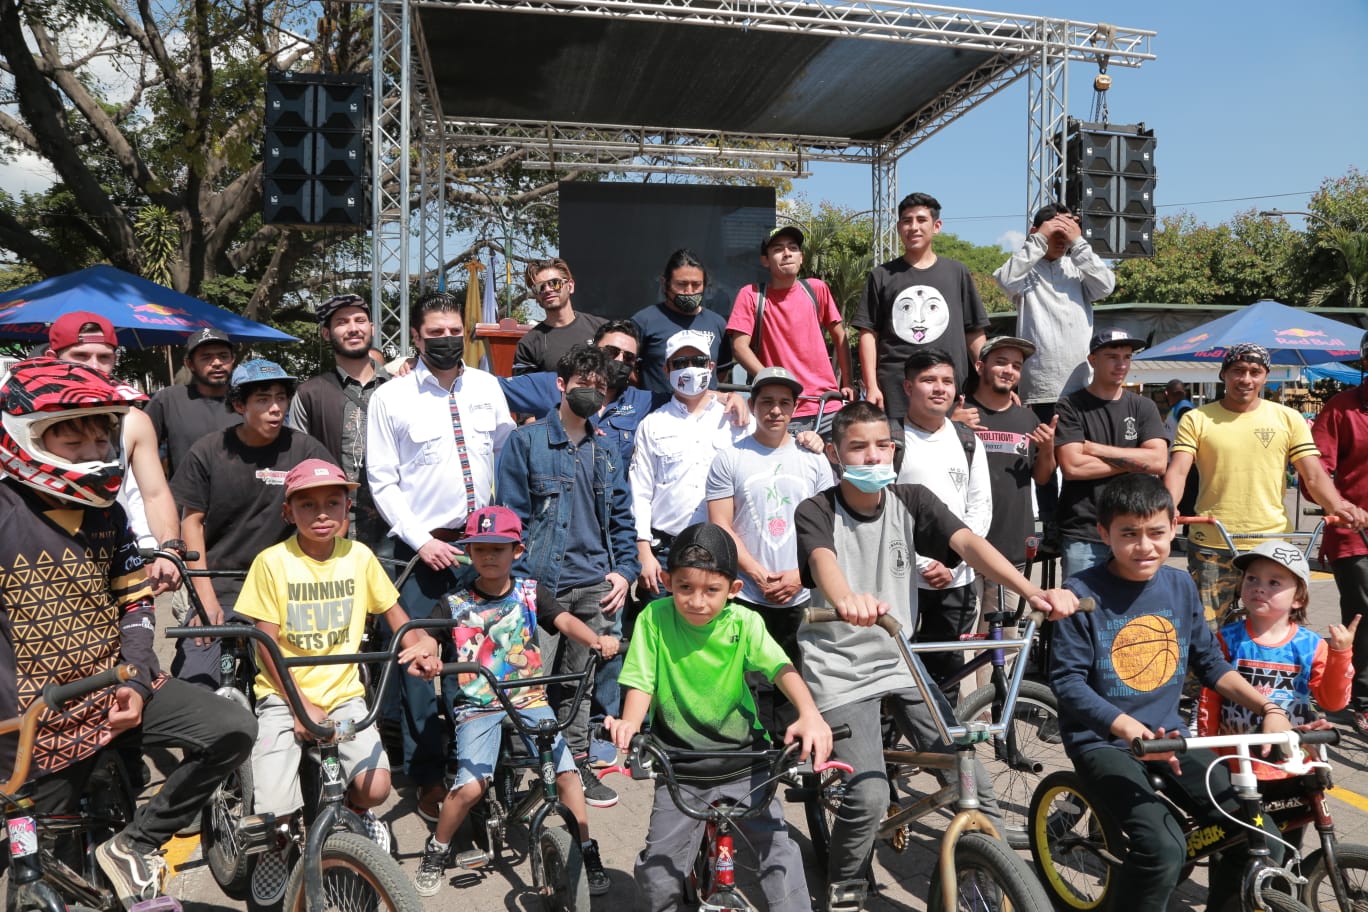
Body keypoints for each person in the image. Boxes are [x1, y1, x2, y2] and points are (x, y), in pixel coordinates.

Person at [794, 400, 1078, 908]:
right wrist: (846, 600)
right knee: (867, 795)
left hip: (900, 659)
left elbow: (968, 543)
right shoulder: (816, 510)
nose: (873, 456)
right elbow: (822, 561)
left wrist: (1032, 592)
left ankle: (988, 880)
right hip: (838, 668)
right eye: (858, 447)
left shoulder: (912, 500)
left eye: (882, 445)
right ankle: (846, 885)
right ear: (835, 454)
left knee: (971, 775)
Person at [0, 357, 256, 909]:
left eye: (102, 438)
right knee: (53, 877)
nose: (93, 452)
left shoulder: (108, 515)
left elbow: (135, 601)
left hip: (117, 688)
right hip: (30, 720)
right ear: (25, 437)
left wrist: (137, 680)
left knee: (232, 727)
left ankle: (135, 843)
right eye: (73, 441)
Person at [1050, 474, 1296, 912]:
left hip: (1172, 736)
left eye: (1156, 532)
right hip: (1104, 741)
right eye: (1129, 533)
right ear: (1104, 533)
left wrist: (1268, 707)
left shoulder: (1180, 585)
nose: (1144, 546)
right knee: (1163, 850)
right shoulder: (1080, 595)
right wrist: (1128, 729)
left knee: (1260, 834)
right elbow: (1067, 682)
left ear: (1175, 528)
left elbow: (1210, 664)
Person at [234, 459, 441, 905]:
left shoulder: (359, 557)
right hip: (283, 697)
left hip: (344, 698)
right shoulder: (272, 562)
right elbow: (265, 646)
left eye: (333, 502)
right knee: (275, 811)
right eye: (308, 505)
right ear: (288, 512)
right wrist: (298, 705)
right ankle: (277, 848)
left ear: (348, 507)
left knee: (376, 786)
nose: (322, 513)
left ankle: (354, 813)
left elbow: (396, 616)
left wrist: (422, 643)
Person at [605, 522, 831, 912]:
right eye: (685, 587)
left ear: (733, 589)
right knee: (658, 874)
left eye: (712, 590)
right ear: (667, 581)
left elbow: (781, 667)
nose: (697, 601)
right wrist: (630, 723)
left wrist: (810, 713)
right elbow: (642, 680)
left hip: (747, 761)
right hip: (680, 767)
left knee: (780, 855)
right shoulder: (654, 618)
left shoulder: (745, 622)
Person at [411, 506, 616, 898]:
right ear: (469, 553)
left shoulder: (530, 592)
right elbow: (428, 636)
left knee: (568, 775)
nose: (489, 556)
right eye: (480, 549)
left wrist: (595, 640)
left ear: (517, 551)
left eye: (498, 548)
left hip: (529, 699)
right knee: (470, 787)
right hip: (478, 705)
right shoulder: (454, 602)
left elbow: (563, 621)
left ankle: (586, 848)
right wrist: (427, 653)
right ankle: (436, 848)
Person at [366, 291, 515, 819]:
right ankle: (428, 776)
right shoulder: (391, 398)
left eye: (455, 331)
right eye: (436, 333)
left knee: (478, 662)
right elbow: (381, 480)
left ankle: (476, 767)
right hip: (422, 550)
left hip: (481, 548)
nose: (448, 340)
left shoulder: (488, 387)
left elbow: (506, 453)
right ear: (416, 336)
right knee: (419, 667)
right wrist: (421, 540)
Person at [495, 345, 639, 809]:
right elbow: (512, 521)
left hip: (595, 585)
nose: (590, 393)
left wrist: (625, 572)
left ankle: (575, 766)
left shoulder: (607, 449)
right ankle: (521, 772)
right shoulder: (526, 442)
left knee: (579, 684)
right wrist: (520, 586)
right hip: (541, 585)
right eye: (582, 384)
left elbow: (622, 519)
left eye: (599, 387)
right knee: (526, 683)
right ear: (561, 385)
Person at [1164, 342, 1367, 627]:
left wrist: (1339, 506)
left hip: (1271, 544)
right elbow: (1178, 471)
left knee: (1270, 631)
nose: (1245, 379)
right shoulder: (1197, 419)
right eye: (1238, 371)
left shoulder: (1288, 418)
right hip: (1212, 542)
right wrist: (1167, 508)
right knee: (1207, 633)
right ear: (1223, 374)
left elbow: (1313, 474)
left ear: (1265, 377)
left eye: (1255, 372)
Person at [170, 359, 332, 689]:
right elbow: (192, 522)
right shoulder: (208, 451)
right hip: (222, 585)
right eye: (262, 399)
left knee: (307, 683)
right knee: (196, 684)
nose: (275, 408)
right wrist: (204, 597)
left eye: (281, 398)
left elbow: (334, 515)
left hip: (288, 589)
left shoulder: (306, 449)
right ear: (239, 405)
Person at [45, 311, 183, 594]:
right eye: (80, 356)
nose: (94, 366)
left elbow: (155, 494)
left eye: (104, 357)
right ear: (52, 357)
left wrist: (169, 549)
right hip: (32, 553)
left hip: (111, 555)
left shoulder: (132, 421)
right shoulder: (18, 417)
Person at [1196, 540, 1355, 781]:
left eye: (1274, 582)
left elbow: (1333, 702)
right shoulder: (1226, 639)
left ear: (1298, 598)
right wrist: (1208, 751)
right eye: (1252, 579)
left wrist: (1340, 654)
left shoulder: (1311, 645)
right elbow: (1210, 700)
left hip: (1293, 761)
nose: (1259, 588)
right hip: (1237, 762)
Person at [894, 349, 991, 704]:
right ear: (908, 387)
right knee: (896, 668)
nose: (940, 388)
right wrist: (921, 563)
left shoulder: (968, 440)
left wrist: (954, 563)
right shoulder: (890, 439)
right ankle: (895, 737)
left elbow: (980, 508)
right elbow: (881, 513)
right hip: (901, 578)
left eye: (947, 381)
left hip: (957, 580)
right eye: (929, 380)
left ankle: (942, 736)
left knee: (948, 672)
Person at [630, 330, 751, 597]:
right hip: (665, 553)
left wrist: (806, 438)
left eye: (697, 361)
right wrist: (643, 551)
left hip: (724, 550)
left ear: (711, 366)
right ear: (666, 370)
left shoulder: (738, 420)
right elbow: (640, 492)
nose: (690, 369)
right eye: (680, 363)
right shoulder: (652, 423)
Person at [852, 192, 989, 421]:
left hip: (948, 389)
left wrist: (989, 380)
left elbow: (974, 332)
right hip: (896, 391)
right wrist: (872, 386)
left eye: (921, 220)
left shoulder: (957, 272)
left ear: (936, 226)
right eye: (907, 221)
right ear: (899, 227)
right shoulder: (881, 275)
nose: (913, 227)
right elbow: (868, 333)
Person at [1054, 330, 1168, 579]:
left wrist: (1095, 449)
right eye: (1112, 357)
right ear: (1093, 360)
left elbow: (1159, 462)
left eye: (1127, 357)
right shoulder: (1070, 406)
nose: (1121, 364)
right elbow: (1073, 467)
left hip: (1136, 529)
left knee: (1135, 602)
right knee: (1081, 602)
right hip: (1085, 531)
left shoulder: (1143, 406)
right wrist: (1138, 461)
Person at [286, 293, 391, 549]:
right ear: (326, 333)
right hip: (331, 527)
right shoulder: (310, 394)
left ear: (371, 328)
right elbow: (298, 463)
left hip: (394, 528)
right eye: (342, 322)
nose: (353, 328)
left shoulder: (399, 388)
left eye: (360, 320)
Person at [966, 337, 1057, 625]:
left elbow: (1042, 476)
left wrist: (1048, 449)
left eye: (1016, 366)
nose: (1009, 370)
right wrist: (952, 425)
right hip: (963, 549)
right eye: (1001, 362)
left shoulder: (1028, 421)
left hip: (1011, 551)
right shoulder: (959, 413)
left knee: (1003, 643)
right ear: (980, 366)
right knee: (959, 643)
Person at [726, 226, 854, 431]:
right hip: (781, 412)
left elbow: (840, 336)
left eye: (793, 248)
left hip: (828, 407)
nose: (787, 253)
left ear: (801, 257)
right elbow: (739, 347)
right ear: (765, 260)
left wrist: (848, 383)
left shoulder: (817, 288)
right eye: (778, 249)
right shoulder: (751, 294)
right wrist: (774, 381)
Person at [1310, 334, 1368, 732]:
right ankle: (1363, 699)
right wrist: (1340, 506)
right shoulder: (1341, 408)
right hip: (1354, 532)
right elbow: (1315, 470)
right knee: (1364, 611)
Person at [631, 250, 730, 398]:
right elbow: (629, 369)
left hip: (705, 409)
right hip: (656, 409)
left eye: (696, 284)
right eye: (681, 284)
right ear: (665, 283)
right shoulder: (644, 321)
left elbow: (720, 371)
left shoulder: (717, 323)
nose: (689, 291)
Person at [145, 326, 240, 478]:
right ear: (190, 364)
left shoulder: (248, 400)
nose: (217, 362)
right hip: (184, 492)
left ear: (233, 359)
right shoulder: (168, 400)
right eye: (206, 357)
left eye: (223, 356)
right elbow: (141, 449)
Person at [513, 258, 607, 375]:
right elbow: (525, 386)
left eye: (555, 283)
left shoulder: (601, 329)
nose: (547, 290)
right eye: (540, 287)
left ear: (570, 286)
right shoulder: (529, 344)